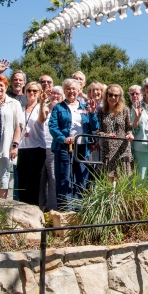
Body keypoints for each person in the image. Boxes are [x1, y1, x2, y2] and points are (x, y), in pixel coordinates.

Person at [49, 79, 98, 210]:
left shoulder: (84, 108)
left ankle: (79, 208)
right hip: (65, 147)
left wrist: (92, 113)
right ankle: (65, 209)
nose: (71, 92)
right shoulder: (58, 108)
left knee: (81, 177)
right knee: (64, 177)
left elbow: (94, 126)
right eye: (68, 89)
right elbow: (53, 127)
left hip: (82, 147)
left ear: (78, 91)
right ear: (64, 91)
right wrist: (63, 139)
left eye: (74, 89)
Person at [15, 82, 47, 206]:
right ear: (25, 93)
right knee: (22, 181)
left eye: (35, 91)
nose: (31, 93)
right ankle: (23, 207)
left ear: (39, 93)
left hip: (37, 147)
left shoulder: (42, 107)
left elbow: (41, 119)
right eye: (29, 91)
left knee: (35, 181)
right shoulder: (21, 109)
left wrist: (43, 102)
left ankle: (34, 208)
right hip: (22, 147)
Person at [97, 84, 134, 180]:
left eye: (116, 95)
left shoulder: (125, 110)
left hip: (123, 149)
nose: (113, 97)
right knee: (109, 182)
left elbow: (128, 127)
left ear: (120, 97)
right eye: (110, 95)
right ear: (106, 95)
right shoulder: (101, 111)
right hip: (108, 149)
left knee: (121, 182)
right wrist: (106, 135)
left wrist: (129, 134)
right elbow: (98, 131)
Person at [39, 85, 62, 211]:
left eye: (58, 94)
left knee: (53, 179)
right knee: (40, 180)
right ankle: (40, 208)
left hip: (53, 147)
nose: (55, 96)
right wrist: (43, 103)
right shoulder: (43, 108)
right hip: (40, 147)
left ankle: (53, 209)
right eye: (53, 93)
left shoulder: (62, 111)